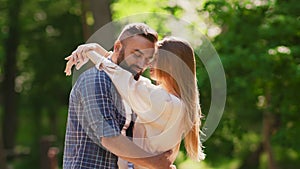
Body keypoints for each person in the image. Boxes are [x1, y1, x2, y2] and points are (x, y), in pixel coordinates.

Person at [65, 36, 205, 169]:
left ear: (170, 64)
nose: (149, 62)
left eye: (155, 58)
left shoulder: (166, 102)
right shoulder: (173, 102)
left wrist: (92, 53)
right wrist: (98, 50)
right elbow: (128, 79)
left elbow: (125, 80)